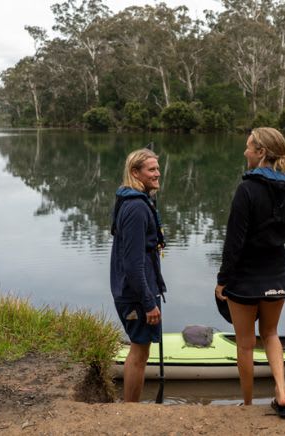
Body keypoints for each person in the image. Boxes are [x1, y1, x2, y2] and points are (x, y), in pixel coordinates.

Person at [214, 127, 285, 418]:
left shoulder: (247, 189)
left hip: (244, 278)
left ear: (261, 152)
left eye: (248, 147)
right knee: (271, 334)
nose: (244, 152)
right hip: (276, 277)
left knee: (245, 345)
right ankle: (282, 393)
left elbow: (234, 241)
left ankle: (246, 405)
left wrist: (222, 280)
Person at [110, 148, 166, 402]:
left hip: (135, 290)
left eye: (157, 168)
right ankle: (131, 409)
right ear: (135, 173)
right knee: (139, 350)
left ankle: (131, 406)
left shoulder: (136, 202)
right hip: (135, 294)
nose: (157, 173)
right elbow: (133, 264)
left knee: (140, 348)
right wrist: (148, 302)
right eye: (151, 169)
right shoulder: (136, 208)